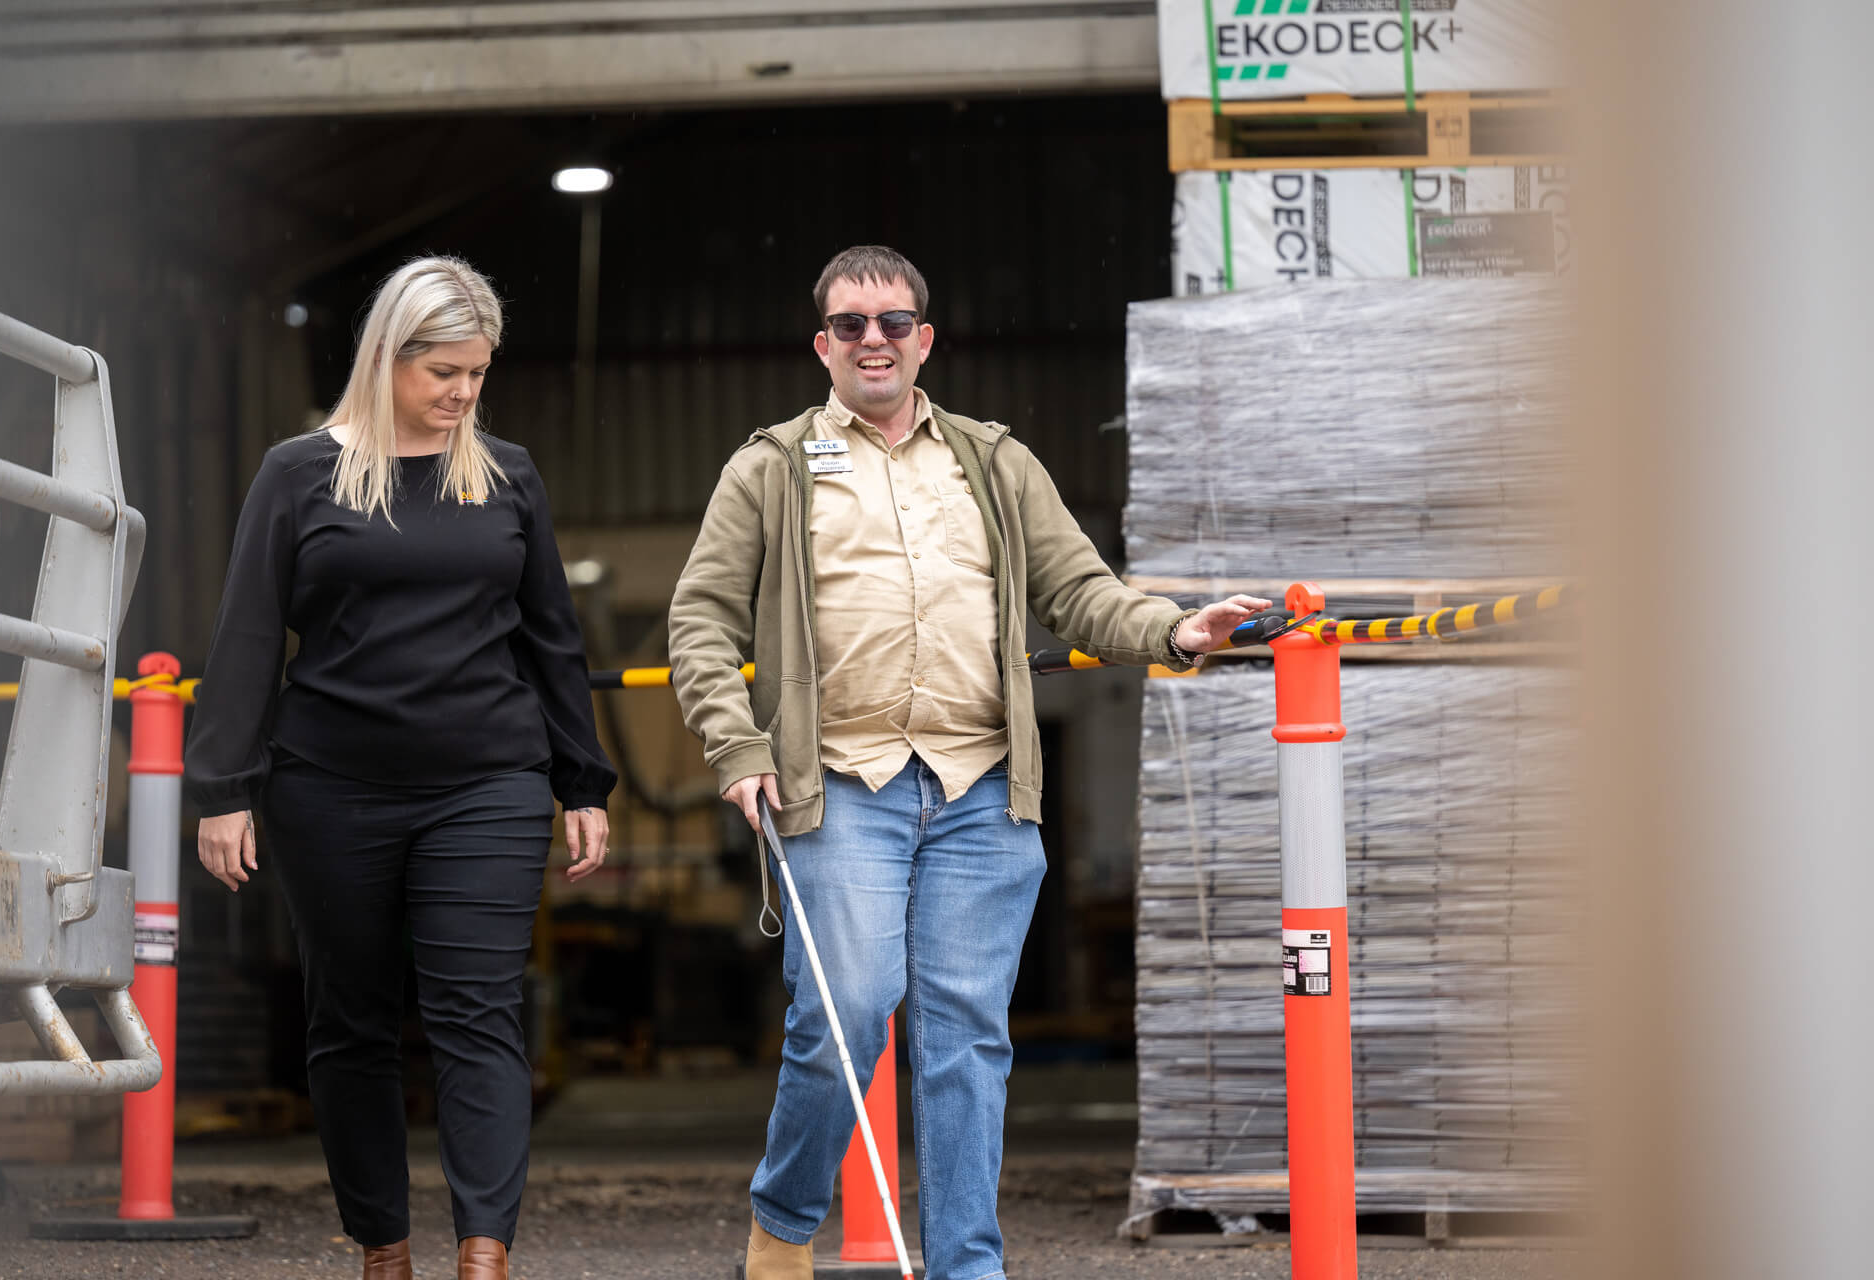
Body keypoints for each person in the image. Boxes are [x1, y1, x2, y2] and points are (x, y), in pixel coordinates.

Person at [667, 245, 1268, 1280]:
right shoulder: (767, 467)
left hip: (981, 787)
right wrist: (735, 743)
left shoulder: (996, 461)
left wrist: (1177, 629)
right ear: (823, 344)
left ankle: (965, 1266)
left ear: (924, 339)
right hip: (837, 785)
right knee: (847, 1011)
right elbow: (701, 619)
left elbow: (1083, 593)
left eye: (893, 321)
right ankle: (782, 1220)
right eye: (850, 324)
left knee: (966, 1040)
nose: (873, 340)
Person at [185, 256, 615, 1280]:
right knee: (352, 1018)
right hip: (329, 787)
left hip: (487, 780)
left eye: (477, 373)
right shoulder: (299, 472)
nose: (464, 392)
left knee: (478, 1010)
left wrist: (582, 779)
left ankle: (483, 1249)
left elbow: (552, 635)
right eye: (445, 372)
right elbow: (246, 634)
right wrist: (222, 789)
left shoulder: (507, 472)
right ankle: (384, 1243)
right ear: (388, 357)